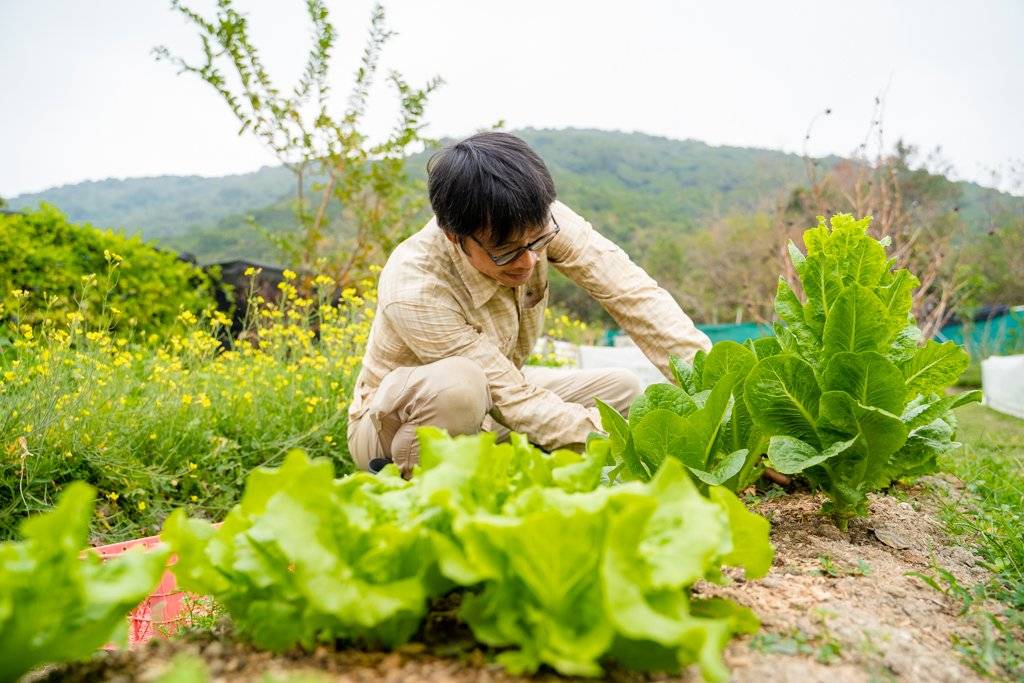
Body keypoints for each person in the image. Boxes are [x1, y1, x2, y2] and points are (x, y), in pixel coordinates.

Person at [347, 131, 711, 476]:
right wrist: (639, 443)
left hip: (496, 397)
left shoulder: (539, 219)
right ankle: (414, 486)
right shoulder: (415, 285)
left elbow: (632, 293)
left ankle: (520, 468)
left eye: (537, 243)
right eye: (506, 253)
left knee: (622, 389)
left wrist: (718, 396)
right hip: (393, 426)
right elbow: (513, 398)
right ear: (454, 236)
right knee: (461, 387)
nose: (529, 262)